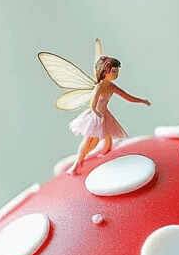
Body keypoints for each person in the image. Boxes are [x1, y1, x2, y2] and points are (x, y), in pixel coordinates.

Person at [38, 40, 151, 175]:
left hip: (104, 115)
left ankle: (104, 155)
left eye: (117, 71)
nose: (116, 74)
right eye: (113, 71)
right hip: (95, 116)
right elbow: (93, 103)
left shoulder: (111, 86)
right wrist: (97, 115)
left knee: (108, 139)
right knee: (91, 140)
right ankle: (76, 165)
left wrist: (142, 101)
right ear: (105, 72)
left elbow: (127, 97)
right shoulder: (100, 87)